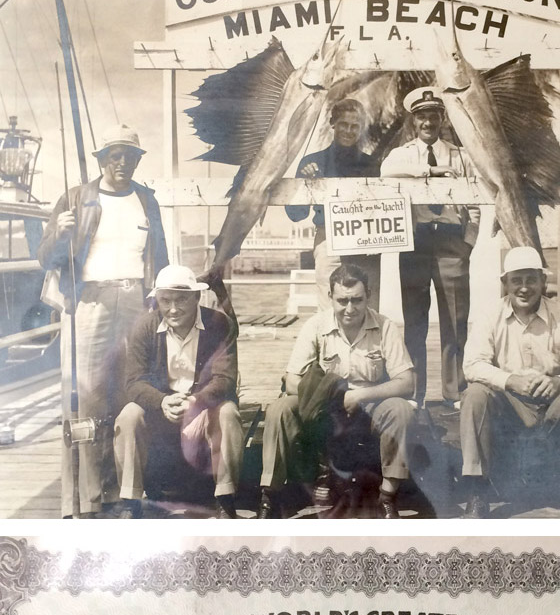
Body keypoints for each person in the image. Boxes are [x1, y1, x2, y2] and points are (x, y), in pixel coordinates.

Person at [37, 124, 168, 518]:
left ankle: (121, 494)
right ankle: (84, 500)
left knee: (128, 394)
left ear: (138, 160)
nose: (123, 162)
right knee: (86, 398)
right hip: (89, 302)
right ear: (101, 159)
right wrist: (61, 236)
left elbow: (159, 260)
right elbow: (47, 258)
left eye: (131, 155)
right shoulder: (77, 198)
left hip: (134, 301)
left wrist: (160, 304)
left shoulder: (147, 201)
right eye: (115, 154)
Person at [460, 246, 560, 519]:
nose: (524, 288)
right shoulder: (489, 316)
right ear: (505, 284)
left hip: (555, 404)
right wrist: (510, 380)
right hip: (510, 405)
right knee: (474, 394)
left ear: (543, 282)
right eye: (516, 280)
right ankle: (477, 492)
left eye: (531, 279)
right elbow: (472, 365)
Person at [258, 263, 416, 519]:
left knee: (400, 409)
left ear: (369, 296)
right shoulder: (315, 326)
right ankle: (270, 494)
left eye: (357, 300)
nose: (350, 308)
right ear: (330, 297)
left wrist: (361, 395)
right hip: (326, 405)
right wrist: (333, 396)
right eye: (343, 301)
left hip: (369, 403)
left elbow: (406, 382)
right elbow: (291, 381)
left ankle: (388, 495)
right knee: (279, 409)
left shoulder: (385, 327)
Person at [113, 265, 244, 519]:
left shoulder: (219, 323)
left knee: (228, 413)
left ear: (197, 297)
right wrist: (162, 401)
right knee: (129, 415)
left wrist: (196, 401)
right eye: (166, 300)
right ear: (157, 301)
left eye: (182, 299)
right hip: (163, 409)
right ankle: (131, 501)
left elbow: (225, 379)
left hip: (203, 408)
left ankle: (225, 498)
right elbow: (134, 381)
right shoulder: (144, 327)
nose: (173, 309)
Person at [380, 87, 480, 407]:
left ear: (442, 118)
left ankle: (454, 391)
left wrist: (469, 242)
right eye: (422, 116)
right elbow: (386, 173)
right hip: (416, 241)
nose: (428, 122)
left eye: (434, 115)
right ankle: (415, 393)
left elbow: (474, 203)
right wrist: (430, 170)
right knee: (414, 321)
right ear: (413, 121)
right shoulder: (402, 155)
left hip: (452, 240)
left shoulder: (460, 155)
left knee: (455, 320)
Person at [286, 99, 380, 310]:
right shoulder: (312, 163)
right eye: (343, 124)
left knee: (369, 306)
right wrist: (306, 182)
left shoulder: (372, 164)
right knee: (329, 308)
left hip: (365, 240)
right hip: (328, 239)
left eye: (355, 126)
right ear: (332, 123)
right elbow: (295, 214)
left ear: (361, 128)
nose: (349, 130)